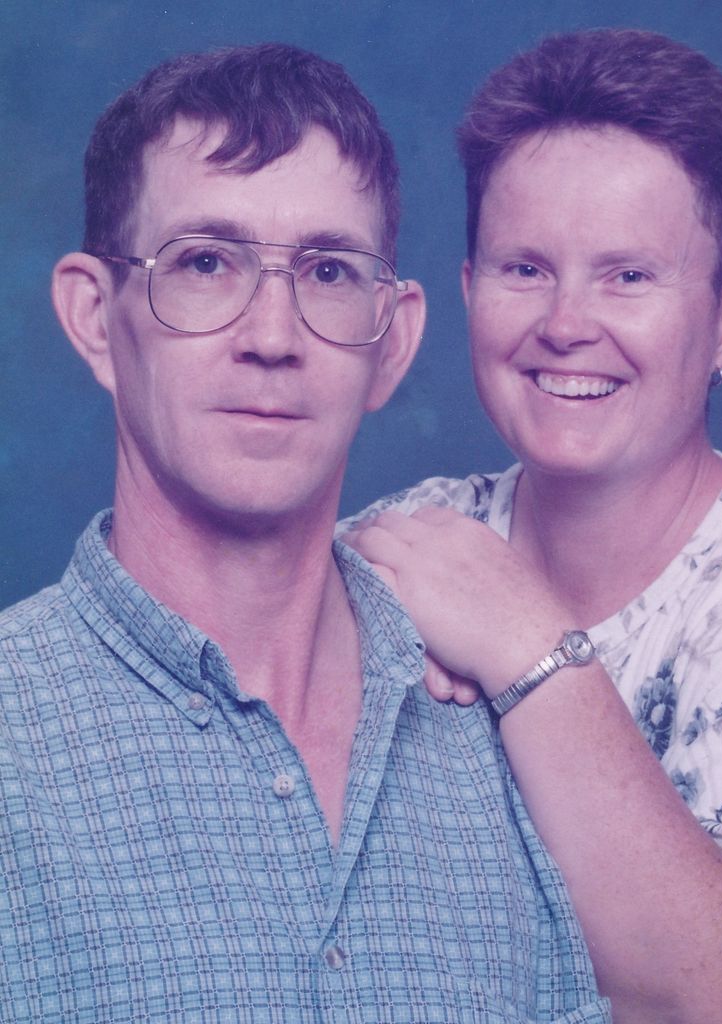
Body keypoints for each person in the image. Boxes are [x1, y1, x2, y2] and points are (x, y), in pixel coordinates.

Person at [0, 44, 612, 1023]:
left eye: (327, 271)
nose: (273, 336)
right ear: (94, 317)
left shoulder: (514, 732)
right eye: (205, 263)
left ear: (391, 341)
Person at [343, 28, 722, 1024]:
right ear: (468, 289)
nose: (565, 323)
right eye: (524, 268)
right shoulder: (403, 541)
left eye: (628, 276)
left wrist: (529, 649)